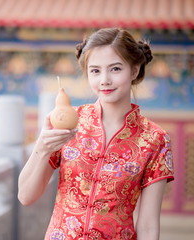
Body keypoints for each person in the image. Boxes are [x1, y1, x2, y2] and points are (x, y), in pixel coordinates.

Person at [18, 28, 174, 240]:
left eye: (116, 69)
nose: (105, 80)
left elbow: (147, 226)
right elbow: (25, 196)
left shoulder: (155, 139)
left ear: (134, 71)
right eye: (95, 71)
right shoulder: (69, 122)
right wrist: (42, 148)